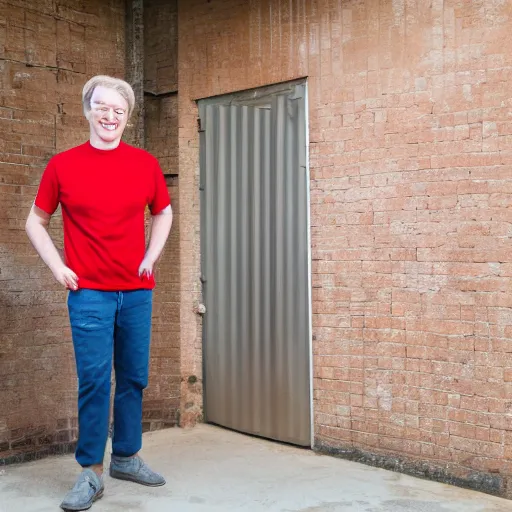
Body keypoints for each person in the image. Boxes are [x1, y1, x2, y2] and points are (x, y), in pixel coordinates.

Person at [25, 75, 173, 511]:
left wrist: (151, 256)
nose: (110, 116)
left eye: (119, 110)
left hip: (136, 292)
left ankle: (126, 457)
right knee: (94, 381)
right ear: (88, 110)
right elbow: (35, 221)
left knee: (133, 377)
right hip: (89, 292)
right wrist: (58, 268)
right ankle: (91, 472)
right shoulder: (63, 165)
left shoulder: (144, 164)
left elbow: (163, 213)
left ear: (127, 118)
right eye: (102, 107)